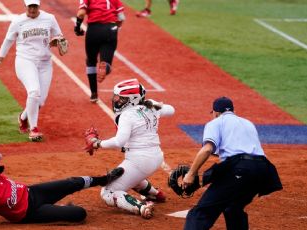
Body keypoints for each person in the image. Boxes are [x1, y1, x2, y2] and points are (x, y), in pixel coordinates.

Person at [0, 149, 124, 229]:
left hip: (33, 192)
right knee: (79, 213)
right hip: (29, 212)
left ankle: (104, 179)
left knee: (71, 182)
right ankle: (62, 209)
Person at [182, 96, 283, 230]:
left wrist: (191, 173)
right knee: (233, 208)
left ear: (216, 112)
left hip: (241, 169)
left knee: (200, 214)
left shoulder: (216, 123)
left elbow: (207, 150)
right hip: (264, 170)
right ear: (233, 111)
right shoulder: (248, 123)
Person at [85, 78, 175, 218]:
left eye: (121, 98)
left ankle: (141, 208)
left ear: (132, 99)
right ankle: (155, 195)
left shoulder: (127, 115)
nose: (116, 101)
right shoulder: (150, 106)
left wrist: (97, 143)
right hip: (156, 157)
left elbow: (119, 142)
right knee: (126, 176)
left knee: (107, 192)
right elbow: (171, 110)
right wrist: (155, 104)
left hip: (139, 160)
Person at [0, 0, 66, 141]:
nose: (32, 9)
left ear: (39, 6)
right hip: (25, 61)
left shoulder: (49, 18)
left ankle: (23, 117)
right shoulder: (18, 21)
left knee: (40, 102)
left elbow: (62, 40)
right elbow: (8, 40)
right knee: (34, 92)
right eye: (30, 6)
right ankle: (34, 129)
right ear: (25, 6)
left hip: (45, 64)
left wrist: (58, 42)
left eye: (35, 6)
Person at [74, 0, 125, 103]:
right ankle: (105, 67)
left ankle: (94, 94)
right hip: (110, 29)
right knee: (106, 61)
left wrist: (78, 27)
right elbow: (121, 17)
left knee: (91, 61)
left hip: (93, 30)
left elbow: (81, 13)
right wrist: (116, 27)